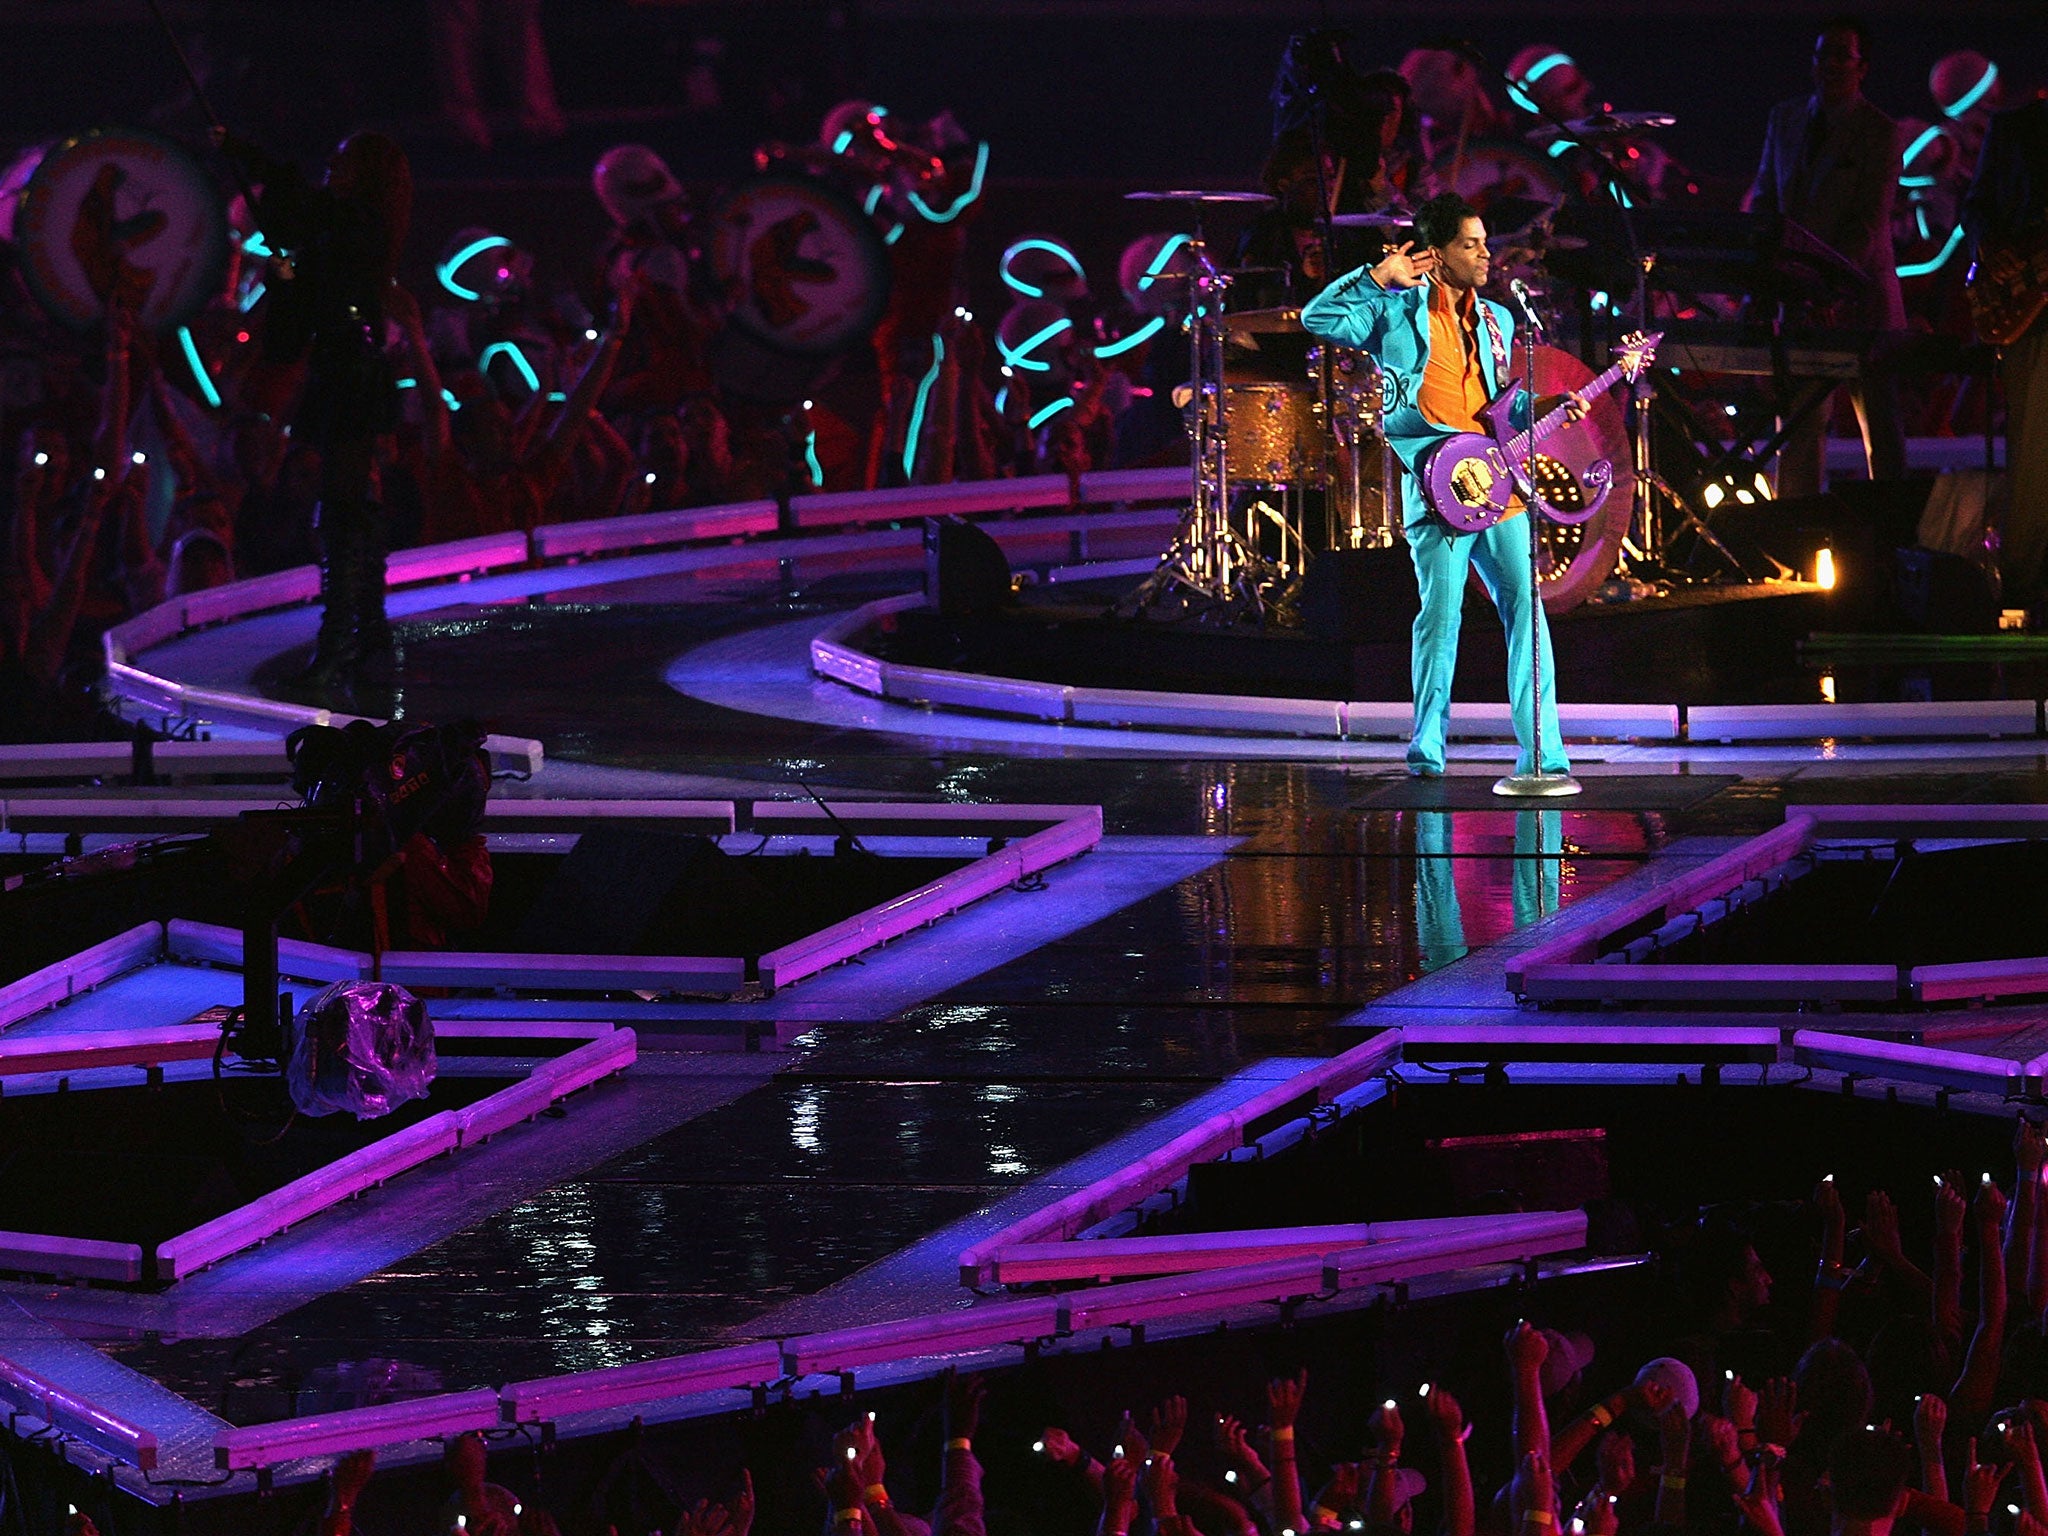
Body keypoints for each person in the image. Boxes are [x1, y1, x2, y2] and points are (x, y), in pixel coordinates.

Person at [1301, 191, 1584, 780]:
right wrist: (1378, 276)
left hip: (1497, 483)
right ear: (1437, 252)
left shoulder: (1499, 319)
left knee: (1526, 611)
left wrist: (1549, 405)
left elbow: (1501, 405)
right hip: (1436, 485)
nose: (1486, 255)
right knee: (1441, 616)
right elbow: (1317, 319)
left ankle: (1543, 750)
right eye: (1471, 245)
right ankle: (1427, 744)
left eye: (1485, 243)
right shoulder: (1394, 311)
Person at [1748, 17, 1907, 498]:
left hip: (1861, 301)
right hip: (1798, 298)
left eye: (1843, 55)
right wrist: (1764, 270)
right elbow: (1765, 197)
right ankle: (1795, 537)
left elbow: (1868, 222)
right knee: (1798, 424)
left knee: (1878, 425)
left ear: (1863, 67)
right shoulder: (1786, 118)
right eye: (1824, 55)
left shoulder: (1879, 131)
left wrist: (1822, 280)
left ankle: (1889, 535)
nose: (1832, 65)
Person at [1963, 95, 2048, 611]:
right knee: (2034, 463)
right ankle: (2024, 594)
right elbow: (1977, 206)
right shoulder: (2015, 126)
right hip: (2032, 316)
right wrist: (1988, 246)